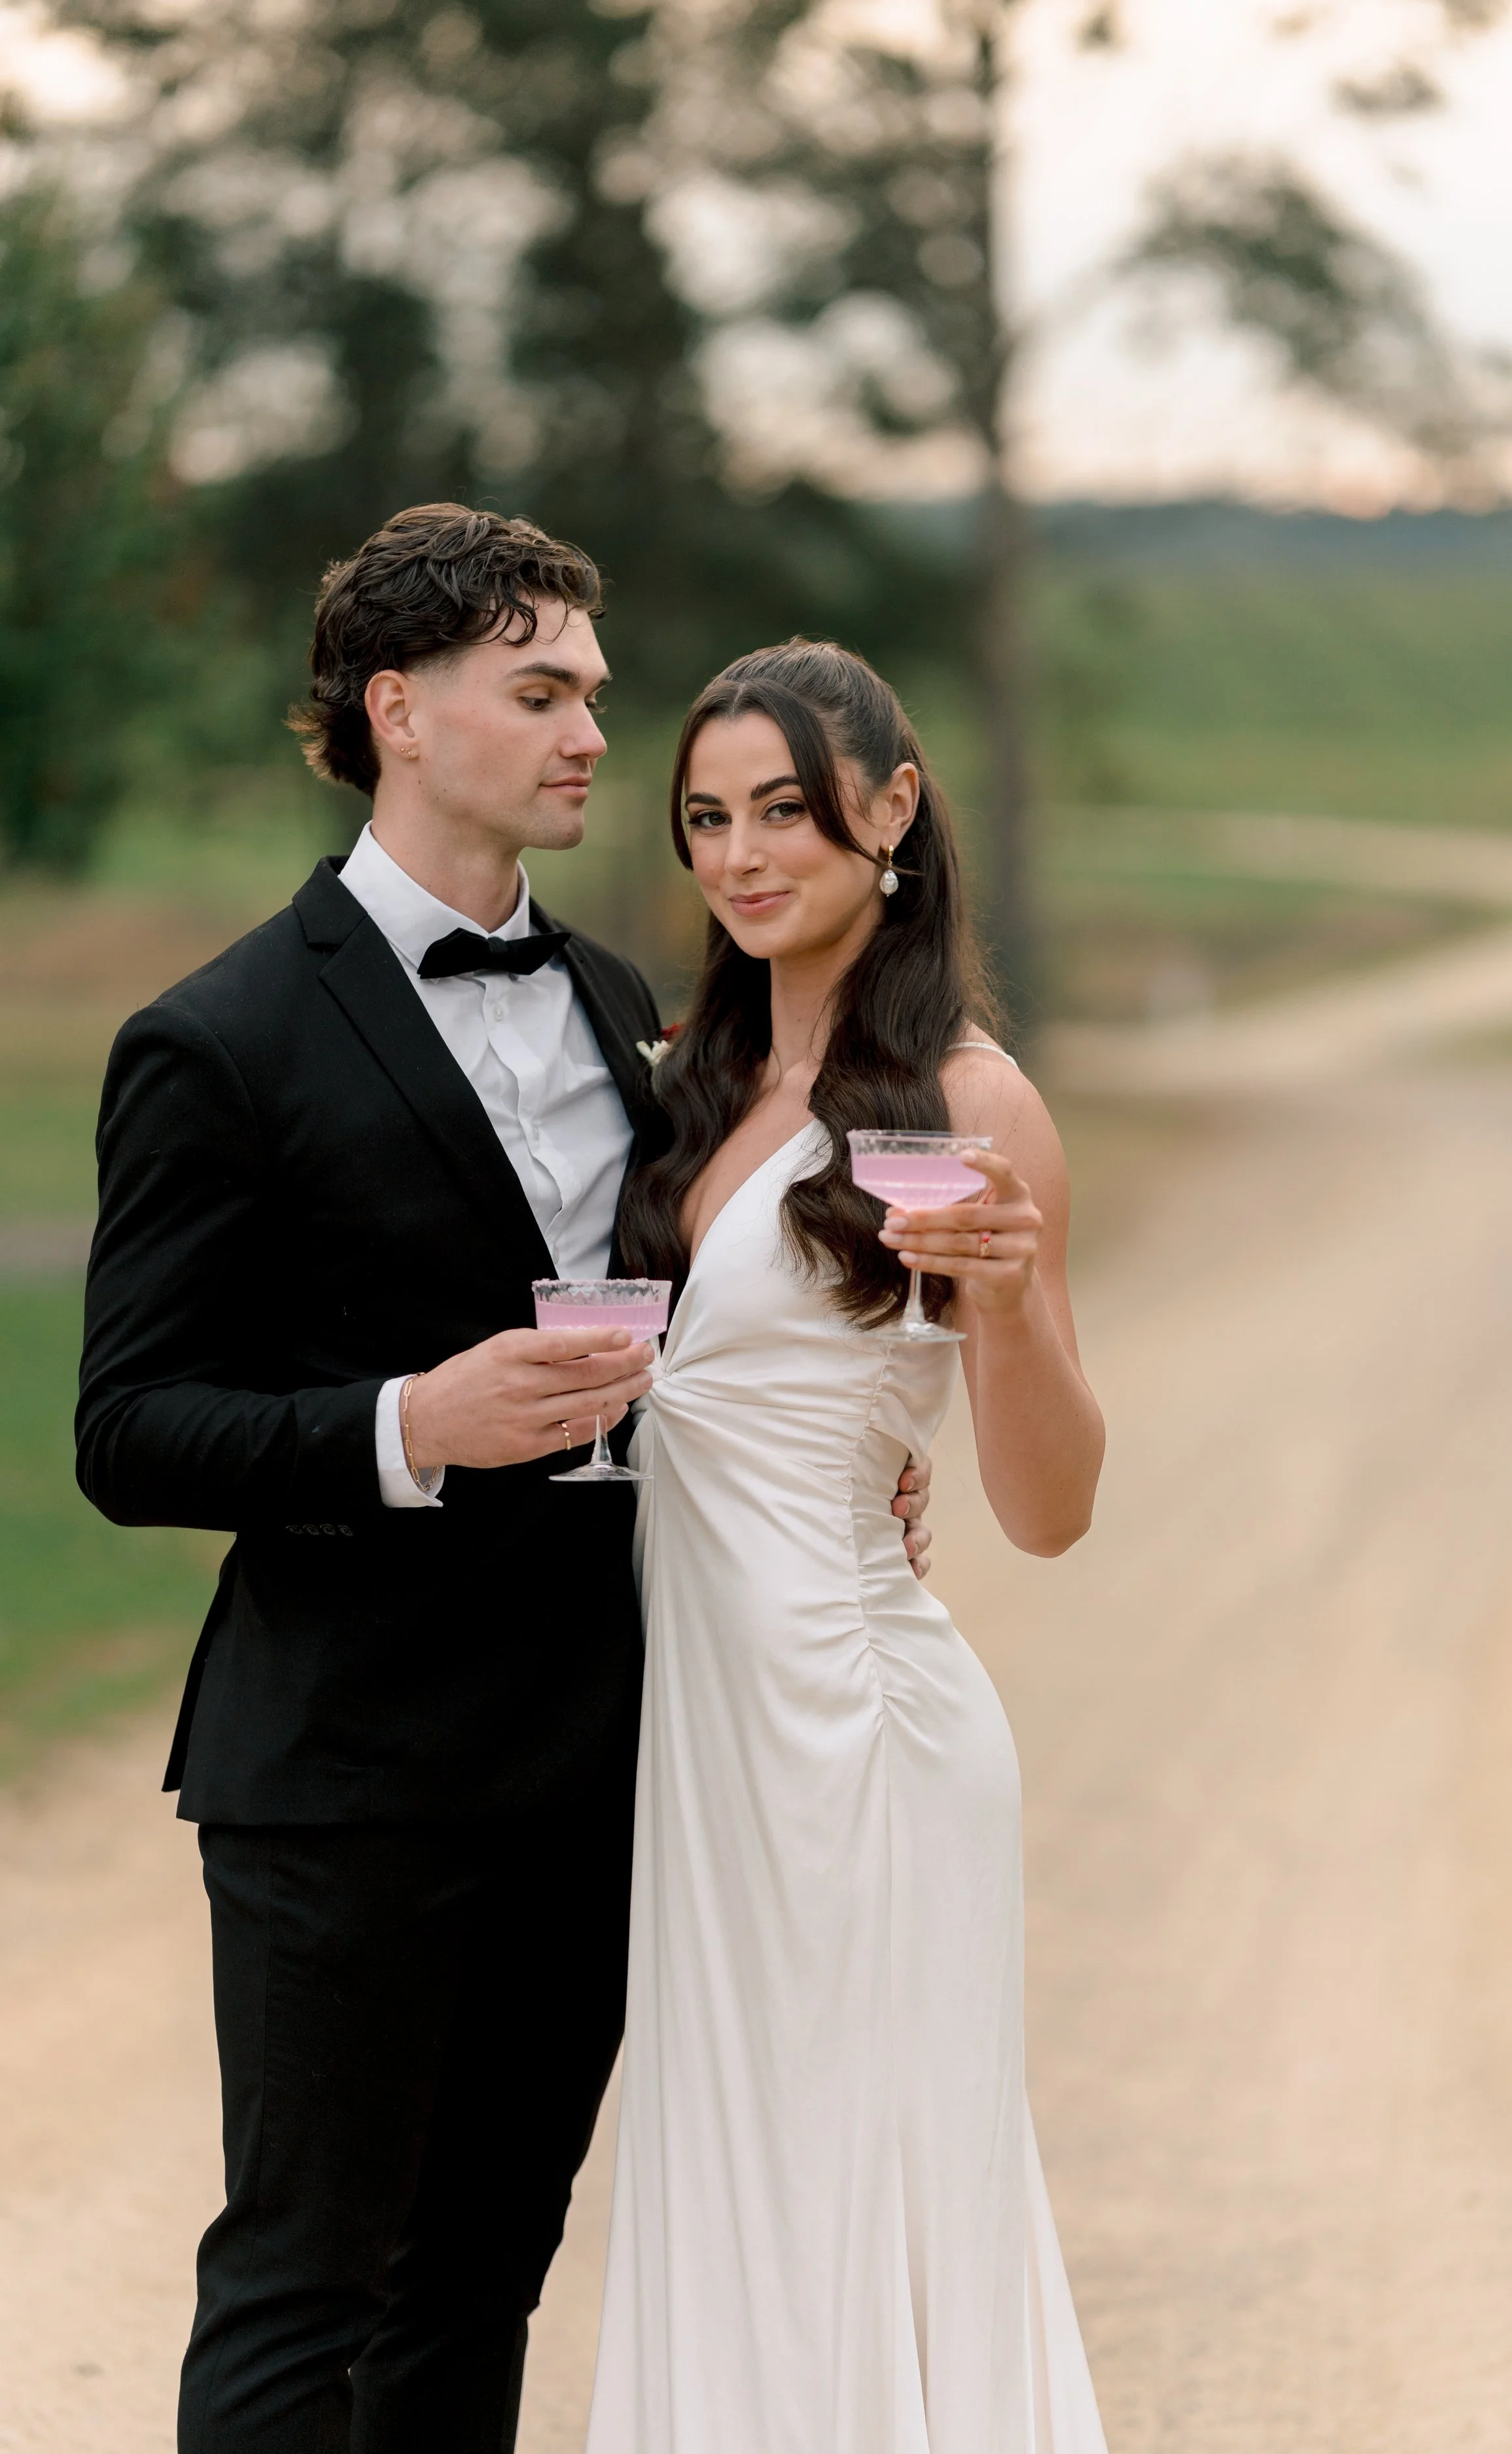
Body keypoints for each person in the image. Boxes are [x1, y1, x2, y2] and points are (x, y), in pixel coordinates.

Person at [75, 507, 932, 2453]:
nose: (590, 737)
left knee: (480, 2280)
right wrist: (408, 1423)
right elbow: (128, 1428)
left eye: (593, 697)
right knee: (302, 2284)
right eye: (540, 693)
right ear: (398, 710)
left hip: (597, 1758)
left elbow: (714, 1324)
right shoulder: (215, 1039)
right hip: (346, 1769)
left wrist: (842, 1467)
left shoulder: (631, 1003)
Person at [588, 639, 1108, 2450]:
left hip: (858, 1735)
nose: (739, 857)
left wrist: (1008, 1308)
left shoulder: (970, 1103)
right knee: (734, 2190)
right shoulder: (683, 1079)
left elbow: (1049, 1508)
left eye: (784, 812)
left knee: (857, 2189)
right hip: (702, 1742)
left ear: (890, 811)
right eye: (705, 817)